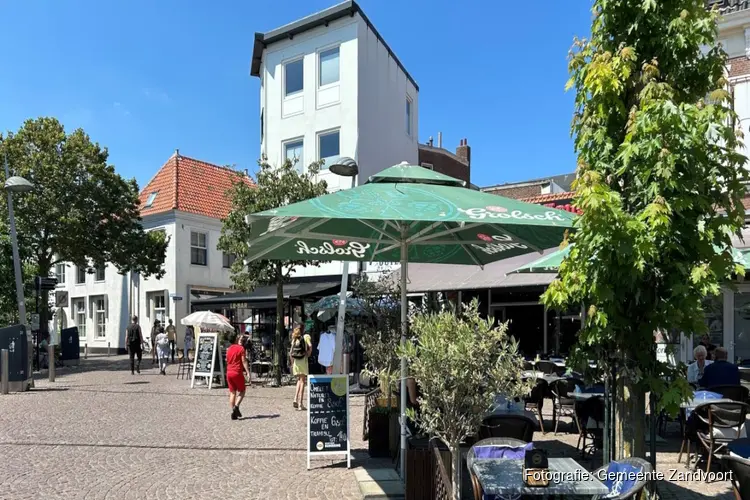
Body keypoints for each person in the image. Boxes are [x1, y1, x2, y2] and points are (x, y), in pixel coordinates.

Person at [226, 330, 252, 420]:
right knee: (242, 390)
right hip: (237, 372)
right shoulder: (240, 349)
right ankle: (236, 407)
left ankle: (233, 411)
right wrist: (248, 372)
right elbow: (244, 361)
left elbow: (227, 360)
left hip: (229, 372)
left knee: (232, 392)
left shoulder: (228, 349)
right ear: (236, 338)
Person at [289, 324, 312, 410]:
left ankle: (295, 398)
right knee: (303, 381)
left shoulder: (294, 338)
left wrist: (292, 363)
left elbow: (290, 352)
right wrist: (308, 354)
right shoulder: (306, 336)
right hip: (303, 361)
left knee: (299, 380)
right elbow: (310, 346)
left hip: (296, 362)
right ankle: (300, 404)